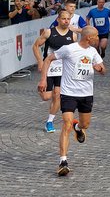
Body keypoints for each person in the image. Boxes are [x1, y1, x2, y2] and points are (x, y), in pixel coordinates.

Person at [37, 27, 105, 176]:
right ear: (89, 38)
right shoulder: (68, 49)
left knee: (85, 124)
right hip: (68, 93)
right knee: (66, 124)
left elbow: (103, 70)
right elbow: (48, 59)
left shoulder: (93, 52)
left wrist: (99, 68)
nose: (97, 38)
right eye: (96, 36)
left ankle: (79, 128)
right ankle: (63, 161)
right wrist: (43, 79)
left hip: (86, 94)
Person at [32, 11, 77, 132]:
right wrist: (40, 61)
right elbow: (35, 46)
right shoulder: (49, 32)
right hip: (49, 68)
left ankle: (49, 121)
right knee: (46, 97)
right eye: (63, 19)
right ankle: (42, 87)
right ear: (58, 19)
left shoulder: (73, 35)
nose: (66, 21)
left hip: (63, 70)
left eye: (68, 19)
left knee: (58, 95)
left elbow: (74, 53)